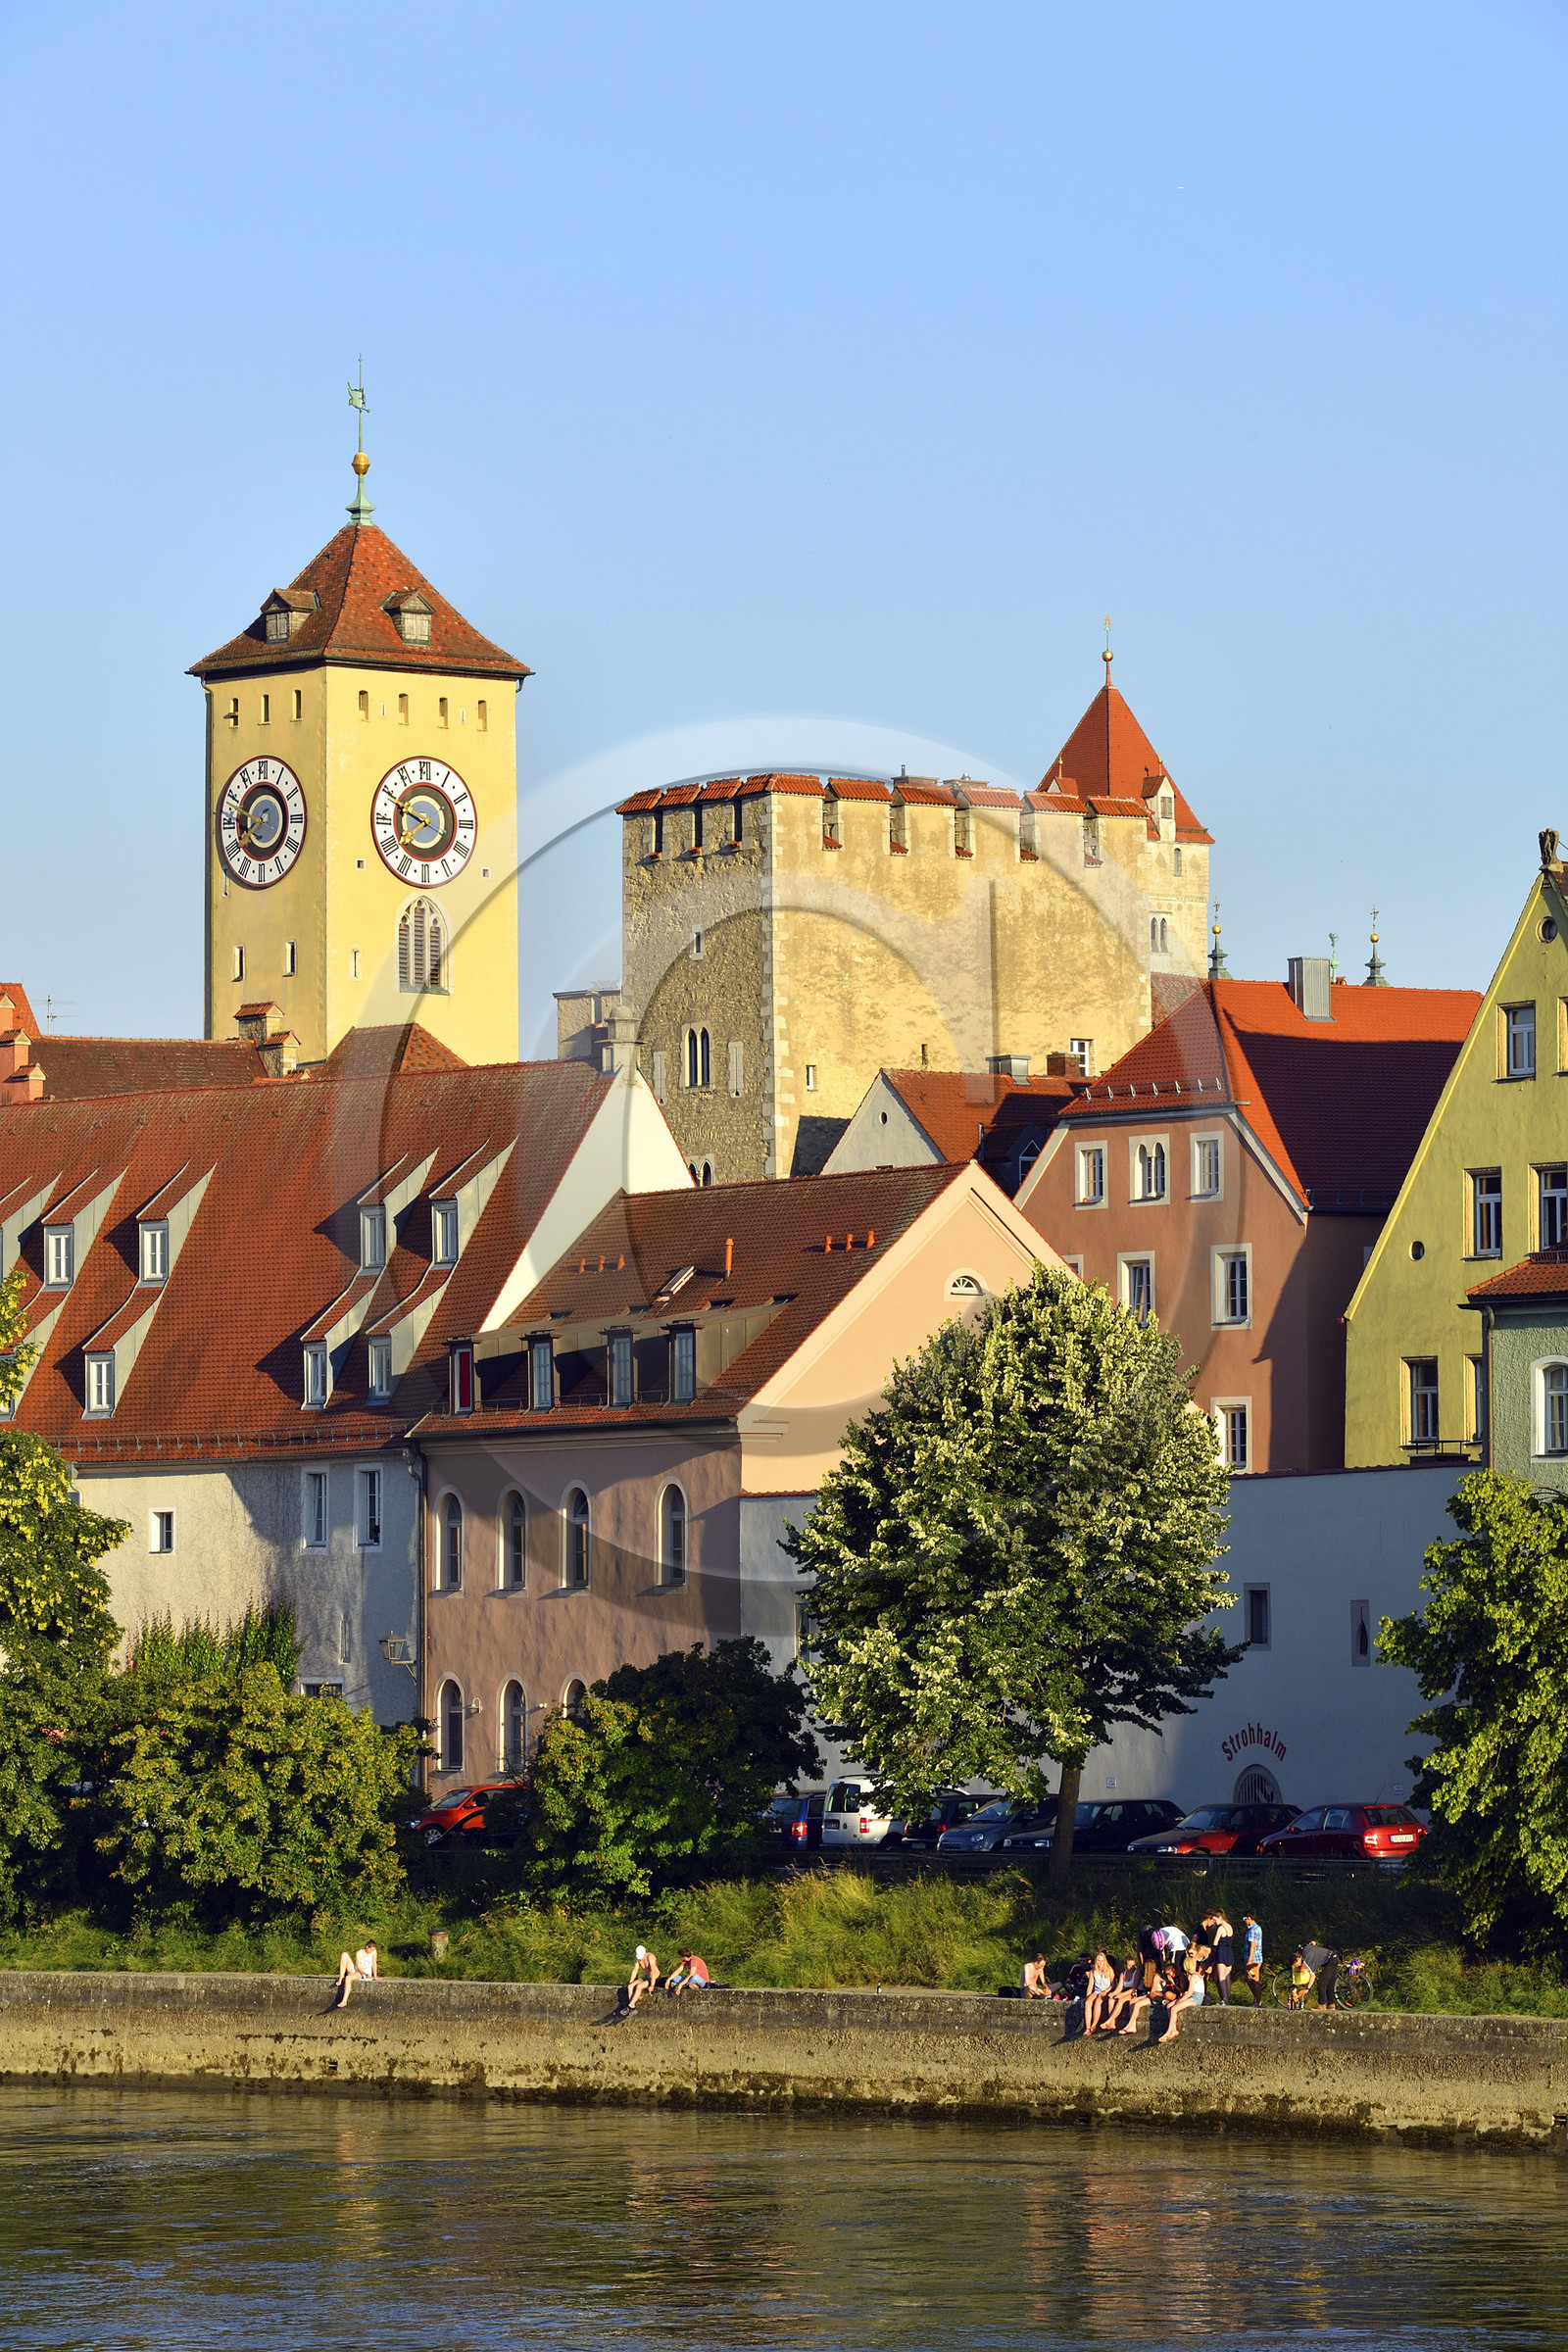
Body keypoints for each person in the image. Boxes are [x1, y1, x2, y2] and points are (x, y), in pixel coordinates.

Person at [1157, 1949, 1206, 2043]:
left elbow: (1190, 1993)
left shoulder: (1193, 1977)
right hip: (1193, 1996)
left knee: (1174, 2008)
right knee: (1169, 2006)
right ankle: (1173, 2029)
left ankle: (1168, 2032)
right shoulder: (1194, 1975)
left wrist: (1180, 2000)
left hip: (1196, 1998)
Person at [1102, 1953, 1141, 2034]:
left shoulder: (1137, 1973)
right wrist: (1113, 1994)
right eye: (1129, 1965)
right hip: (1125, 1990)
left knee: (1121, 2000)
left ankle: (1110, 2020)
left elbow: (1133, 1988)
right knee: (1111, 2000)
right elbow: (1119, 1987)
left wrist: (1122, 1995)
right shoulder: (1123, 1973)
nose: (1131, 1967)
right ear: (1126, 1965)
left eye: (1133, 1965)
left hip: (1135, 1991)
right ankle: (1112, 2023)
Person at [334, 1940, 378, 2007]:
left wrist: (375, 1976)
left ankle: (344, 2001)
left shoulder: (374, 1952)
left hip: (362, 1974)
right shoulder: (359, 1953)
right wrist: (366, 1974)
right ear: (367, 1947)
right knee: (344, 1954)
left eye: (373, 1950)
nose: (371, 1951)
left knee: (348, 1978)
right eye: (371, 1950)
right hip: (357, 1970)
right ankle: (341, 1977)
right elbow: (358, 1967)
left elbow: (374, 1964)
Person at [1082, 1948, 1116, 2034]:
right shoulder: (1093, 1971)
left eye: (1101, 1961)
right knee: (1088, 2003)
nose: (1100, 1963)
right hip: (1097, 1991)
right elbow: (1090, 1985)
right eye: (1098, 1961)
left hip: (1107, 1991)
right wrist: (1088, 1996)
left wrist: (1106, 1991)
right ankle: (1087, 2027)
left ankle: (1094, 2025)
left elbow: (1113, 1984)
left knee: (1098, 2001)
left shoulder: (1109, 1969)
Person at [1205, 1908, 1235, 2005]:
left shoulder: (1221, 1928)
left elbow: (1215, 1942)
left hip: (1221, 1952)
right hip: (1229, 1951)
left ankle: (1224, 1999)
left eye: (1215, 1919)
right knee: (1227, 1977)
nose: (1215, 1922)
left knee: (1221, 1977)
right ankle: (1228, 1999)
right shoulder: (1230, 1927)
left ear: (1220, 1917)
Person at [1300, 1941, 1339, 2008]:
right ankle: (1331, 2004)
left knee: (1321, 1982)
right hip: (1333, 1956)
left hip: (1331, 1960)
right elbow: (1313, 1942)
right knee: (1330, 1984)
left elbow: (1313, 1976)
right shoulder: (1306, 1947)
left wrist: (1307, 1988)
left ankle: (1322, 2004)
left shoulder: (1307, 1957)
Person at [626, 1943, 661, 2010]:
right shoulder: (638, 1959)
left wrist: (652, 1985)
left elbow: (652, 1971)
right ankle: (632, 2006)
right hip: (645, 1978)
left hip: (654, 1978)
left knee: (639, 1986)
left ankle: (630, 2006)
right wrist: (630, 1982)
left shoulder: (650, 1957)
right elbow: (635, 1970)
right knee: (630, 1987)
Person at [1242, 1914, 1264, 1998]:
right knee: (1248, 1978)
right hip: (1255, 1958)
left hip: (1253, 1959)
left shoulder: (1253, 1930)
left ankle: (1258, 2001)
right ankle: (1256, 1999)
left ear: (1249, 1918)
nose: (1244, 1921)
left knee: (1253, 1980)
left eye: (1245, 1919)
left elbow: (1253, 1945)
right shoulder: (1257, 1928)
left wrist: (1249, 1960)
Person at [1288, 1946, 1316, 2010]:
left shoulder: (1305, 1957)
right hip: (1299, 1980)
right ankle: (1295, 2002)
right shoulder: (1302, 1956)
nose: (1296, 1965)